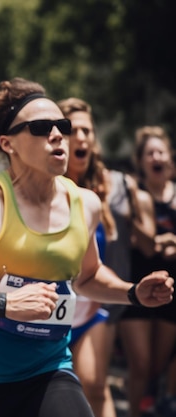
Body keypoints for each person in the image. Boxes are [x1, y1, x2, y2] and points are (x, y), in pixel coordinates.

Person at [0, 77, 174, 417]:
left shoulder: (85, 204)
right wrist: (3, 304)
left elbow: (87, 277)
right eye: (42, 127)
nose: (58, 134)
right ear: (7, 143)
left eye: (63, 125)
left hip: (48, 370)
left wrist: (132, 293)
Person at [58, 97, 155, 417]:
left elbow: (142, 241)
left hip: (94, 304)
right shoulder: (44, 187)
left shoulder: (111, 186)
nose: (82, 137)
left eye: (88, 130)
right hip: (46, 309)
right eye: (74, 130)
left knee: (94, 384)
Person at [119, 126, 176, 417]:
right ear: (140, 161)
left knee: (157, 364)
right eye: (149, 153)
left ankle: (152, 402)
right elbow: (143, 245)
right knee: (140, 365)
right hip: (135, 286)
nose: (156, 157)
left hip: (171, 291)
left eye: (160, 152)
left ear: (170, 158)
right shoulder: (133, 196)